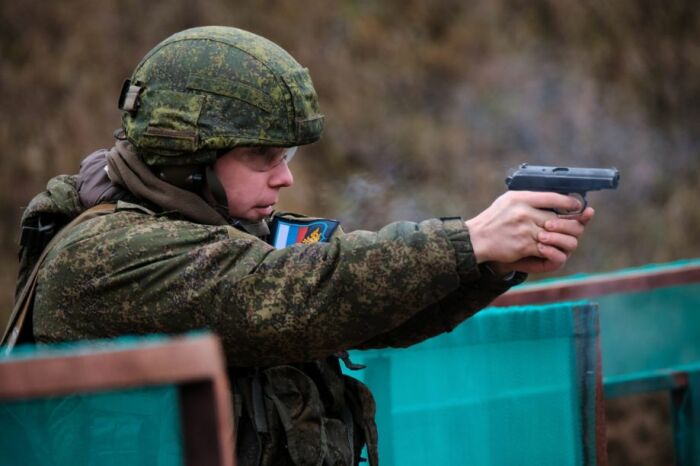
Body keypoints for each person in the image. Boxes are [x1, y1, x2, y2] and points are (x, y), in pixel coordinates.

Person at [5, 26, 593, 465]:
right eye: (262, 159)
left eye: (285, 158)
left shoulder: (231, 232)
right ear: (190, 156)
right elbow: (301, 291)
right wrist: (470, 240)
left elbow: (366, 310)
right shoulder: (103, 255)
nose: (283, 179)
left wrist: (489, 265)